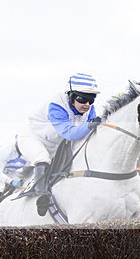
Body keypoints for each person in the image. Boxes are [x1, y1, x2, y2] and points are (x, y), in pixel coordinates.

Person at [16, 72, 101, 215]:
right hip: (33, 139)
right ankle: (41, 193)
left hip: (56, 145)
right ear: (71, 95)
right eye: (82, 99)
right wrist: (89, 126)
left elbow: (89, 133)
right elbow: (69, 133)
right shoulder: (56, 106)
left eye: (91, 100)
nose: (87, 104)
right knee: (42, 157)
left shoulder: (89, 109)